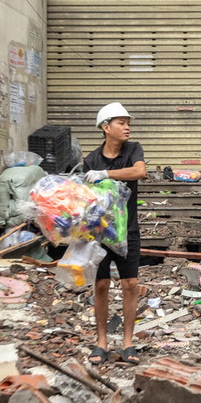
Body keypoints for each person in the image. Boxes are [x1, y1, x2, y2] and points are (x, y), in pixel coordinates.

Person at [83, 102, 146, 365]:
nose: (127, 127)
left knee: (130, 284)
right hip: (99, 233)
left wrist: (105, 174)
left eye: (128, 122)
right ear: (106, 128)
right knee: (101, 285)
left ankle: (128, 343)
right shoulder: (91, 159)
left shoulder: (133, 149)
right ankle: (101, 343)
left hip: (127, 230)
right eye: (121, 122)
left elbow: (139, 171)